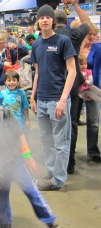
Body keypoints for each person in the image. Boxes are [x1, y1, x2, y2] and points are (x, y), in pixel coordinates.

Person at [0, 76, 57, 228]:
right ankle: (5, 224)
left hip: (14, 163)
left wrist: (27, 156)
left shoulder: (2, 112)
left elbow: (19, 134)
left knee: (31, 192)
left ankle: (49, 220)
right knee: (1, 200)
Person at [30, 4, 77, 190]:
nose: (45, 20)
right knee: (46, 140)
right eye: (41, 17)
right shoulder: (36, 44)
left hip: (57, 100)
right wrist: (33, 98)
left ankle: (57, 180)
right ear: (38, 21)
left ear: (53, 20)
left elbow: (72, 71)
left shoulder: (63, 41)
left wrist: (63, 99)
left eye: (48, 17)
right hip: (41, 99)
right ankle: (51, 171)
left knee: (61, 143)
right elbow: (37, 73)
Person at [54, 0, 91, 174]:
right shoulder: (74, 35)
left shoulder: (48, 37)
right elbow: (88, 25)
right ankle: (69, 163)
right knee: (72, 124)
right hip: (73, 83)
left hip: (55, 85)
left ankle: (57, 163)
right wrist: (76, 6)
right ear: (66, 20)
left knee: (55, 124)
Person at [80, 22, 101, 162]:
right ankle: (69, 154)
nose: (92, 37)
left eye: (94, 34)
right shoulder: (75, 48)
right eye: (90, 34)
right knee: (73, 122)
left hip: (91, 87)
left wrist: (93, 91)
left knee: (93, 121)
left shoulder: (98, 49)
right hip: (75, 90)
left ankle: (93, 152)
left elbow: (98, 71)